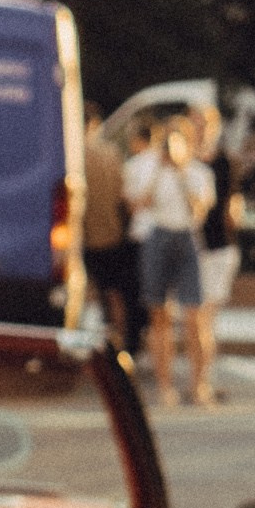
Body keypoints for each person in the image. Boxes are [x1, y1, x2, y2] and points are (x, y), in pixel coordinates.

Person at [125, 120, 214, 406]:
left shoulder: (198, 173)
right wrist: (159, 172)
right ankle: (165, 385)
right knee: (159, 313)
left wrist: (181, 173)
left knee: (193, 315)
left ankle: (198, 384)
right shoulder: (149, 168)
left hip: (186, 237)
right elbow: (138, 205)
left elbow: (198, 210)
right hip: (157, 237)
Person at [79, 104, 138, 362]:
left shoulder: (72, 154)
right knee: (114, 295)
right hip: (112, 235)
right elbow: (124, 196)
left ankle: (83, 347)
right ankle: (119, 349)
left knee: (84, 293)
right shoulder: (112, 154)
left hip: (83, 236)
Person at [192, 104, 241, 405]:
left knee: (205, 317)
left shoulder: (225, 163)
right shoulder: (181, 162)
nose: (199, 130)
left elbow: (233, 207)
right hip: (190, 246)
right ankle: (198, 380)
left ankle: (203, 380)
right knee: (192, 318)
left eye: (204, 124)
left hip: (218, 246)